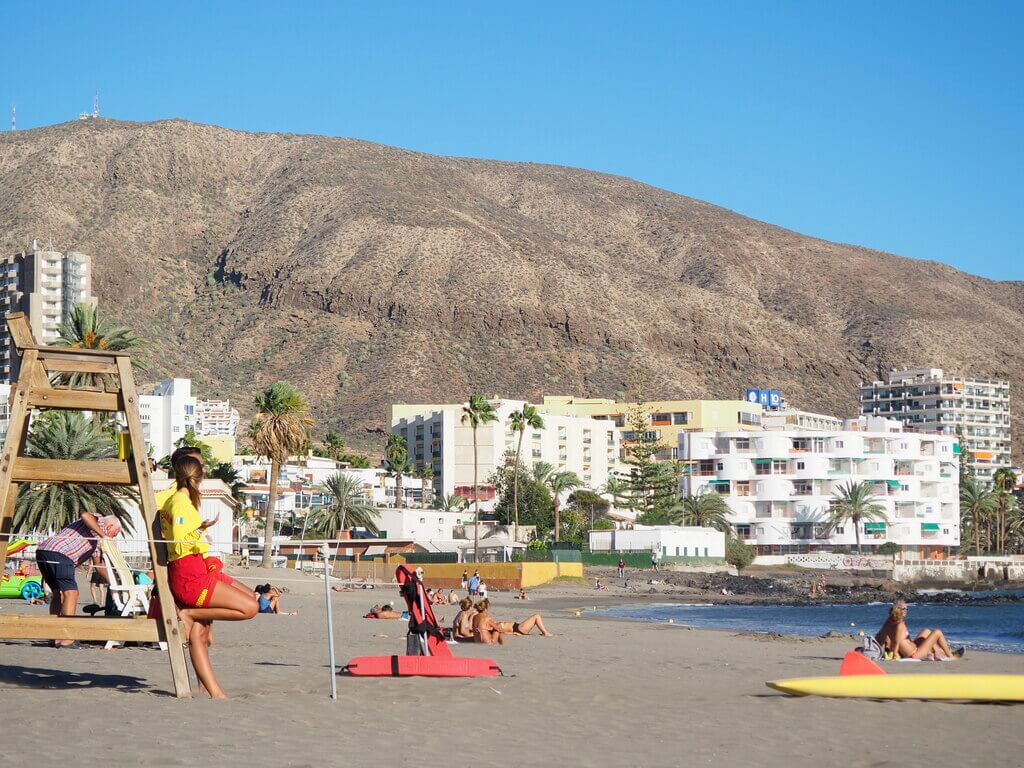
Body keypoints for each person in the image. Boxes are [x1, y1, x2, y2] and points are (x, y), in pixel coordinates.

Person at [160, 455, 258, 698]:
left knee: (201, 634)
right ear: (198, 476)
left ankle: (214, 692)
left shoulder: (179, 501)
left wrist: (200, 529)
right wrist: (201, 530)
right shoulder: (180, 503)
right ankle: (189, 613)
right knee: (250, 608)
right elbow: (181, 539)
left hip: (192, 569)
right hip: (190, 575)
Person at [35, 512, 122, 646]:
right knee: (72, 593)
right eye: (115, 533)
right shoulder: (99, 521)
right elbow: (85, 515)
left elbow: (98, 566)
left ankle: (54, 637)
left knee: (58, 593)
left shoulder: (98, 542)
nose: (114, 537)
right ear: (109, 526)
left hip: (45, 551)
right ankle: (67, 638)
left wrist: (114, 583)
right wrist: (104, 535)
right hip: (59, 552)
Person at [875, 600, 964, 660]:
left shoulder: (889, 622)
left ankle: (939, 653)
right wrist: (894, 655)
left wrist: (885, 649)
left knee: (926, 631)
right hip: (914, 654)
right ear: (897, 610)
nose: (906, 611)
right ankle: (951, 656)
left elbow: (882, 637)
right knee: (937, 632)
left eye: (907, 608)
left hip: (912, 647)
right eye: (904, 609)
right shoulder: (899, 624)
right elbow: (896, 642)